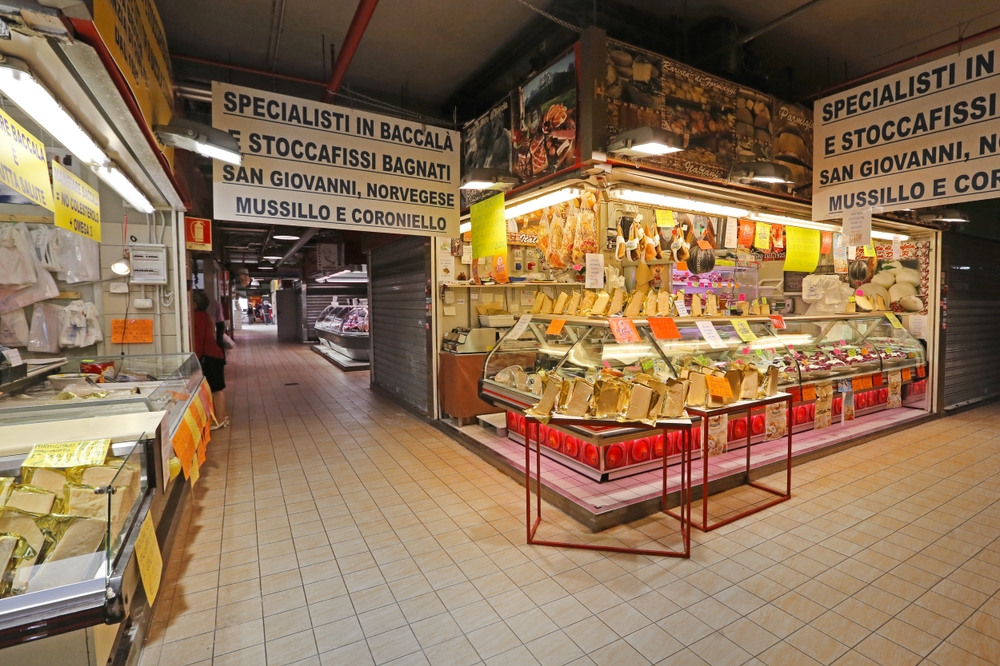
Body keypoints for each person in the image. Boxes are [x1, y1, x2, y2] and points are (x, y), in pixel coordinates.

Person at [193, 290, 228, 429]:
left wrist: (194, 359)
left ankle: (220, 419)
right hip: (215, 355)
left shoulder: (196, 317)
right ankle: (222, 418)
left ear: (194, 304)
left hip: (209, 357)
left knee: (216, 389)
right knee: (217, 389)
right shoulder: (204, 315)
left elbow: (198, 342)